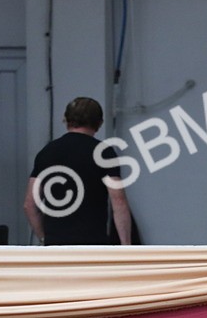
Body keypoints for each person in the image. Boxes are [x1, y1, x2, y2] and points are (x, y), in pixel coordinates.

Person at [24, 97, 132, 246]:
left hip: (56, 245)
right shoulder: (104, 153)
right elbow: (118, 201)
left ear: (66, 120)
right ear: (99, 123)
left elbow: (30, 204)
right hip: (92, 243)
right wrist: (126, 246)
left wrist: (45, 238)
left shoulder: (47, 152)